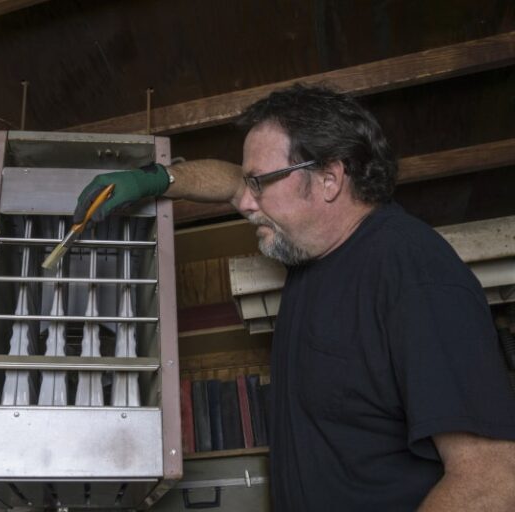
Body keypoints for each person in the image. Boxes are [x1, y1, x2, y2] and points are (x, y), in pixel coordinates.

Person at [73, 84, 515, 510]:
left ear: (328, 179)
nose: (246, 201)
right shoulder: (316, 250)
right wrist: (157, 179)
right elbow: (231, 182)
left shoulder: (413, 273)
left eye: (260, 183)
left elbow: (493, 479)